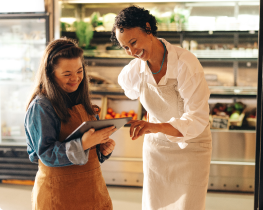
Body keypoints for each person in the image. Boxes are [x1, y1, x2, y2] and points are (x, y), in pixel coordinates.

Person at [111, 6, 212, 210]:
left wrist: (154, 126)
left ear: (148, 29)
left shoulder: (185, 64)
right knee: (154, 206)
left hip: (191, 149)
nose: (132, 52)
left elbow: (198, 118)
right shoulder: (134, 71)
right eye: (125, 47)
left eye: (133, 42)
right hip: (157, 150)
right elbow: (132, 92)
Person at [24, 38, 116, 210]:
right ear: (50, 74)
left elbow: (88, 150)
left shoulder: (81, 98)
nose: (75, 78)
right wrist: (84, 144)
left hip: (93, 191)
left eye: (80, 71)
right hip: (58, 196)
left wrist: (100, 148)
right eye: (67, 74)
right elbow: (47, 154)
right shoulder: (41, 107)